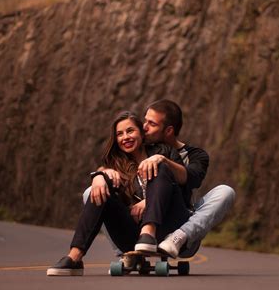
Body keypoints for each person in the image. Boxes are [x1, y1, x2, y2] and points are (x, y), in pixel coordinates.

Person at [85, 99, 236, 259]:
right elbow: (113, 164)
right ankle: (125, 253)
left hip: (179, 219)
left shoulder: (195, 155)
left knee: (225, 192)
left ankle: (178, 238)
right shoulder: (138, 148)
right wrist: (100, 174)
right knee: (91, 192)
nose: (144, 127)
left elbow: (190, 180)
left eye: (152, 124)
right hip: (138, 225)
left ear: (168, 130)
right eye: (145, 120)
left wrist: (162, 162)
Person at [47, 111, 191, 276]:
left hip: (169, 229)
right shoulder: (116, 166)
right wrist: (99, 177)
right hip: (132, 235)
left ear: (142, 133)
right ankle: (75, 257)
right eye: (119, 134)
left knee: (160, 166)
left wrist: (160, 160)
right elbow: (106, 183)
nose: (125, 137)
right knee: (101, 189)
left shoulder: (164, 151)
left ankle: (148, 233)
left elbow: (183, 183)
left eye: (130, 131)